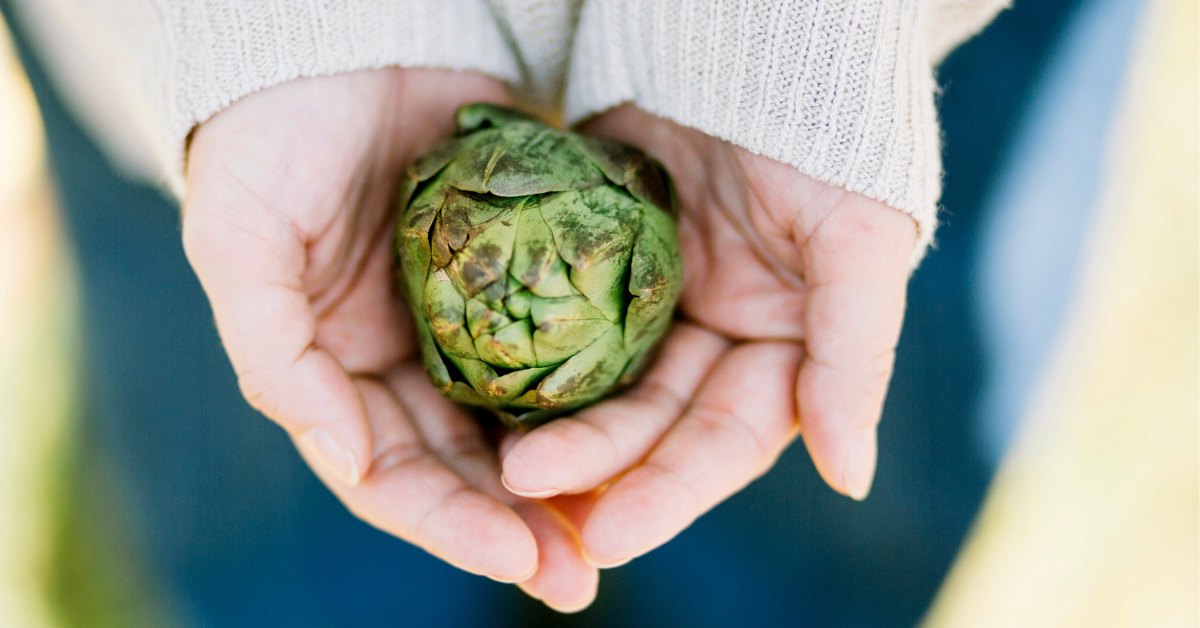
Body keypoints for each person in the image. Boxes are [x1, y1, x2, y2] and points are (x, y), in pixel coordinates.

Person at [5, 0, 1007, 618]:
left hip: (876, 64)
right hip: (182, 49)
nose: (515, 301)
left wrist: (802, 40)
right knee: (261, 480)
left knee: (850, 486)